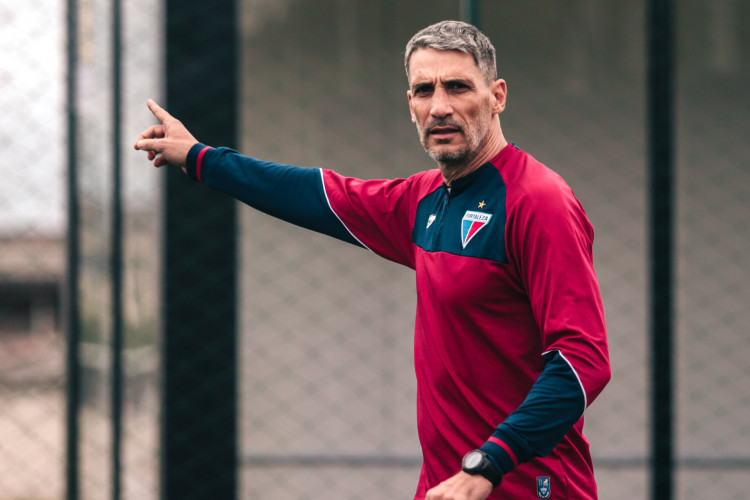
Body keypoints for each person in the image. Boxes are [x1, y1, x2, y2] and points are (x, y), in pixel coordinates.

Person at [135, 20, 610, 500]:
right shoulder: (423, 200)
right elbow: (315, 194)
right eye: (424, 90)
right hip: (448, 487)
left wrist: (488, 463)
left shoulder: (538, 201)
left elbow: (582, 360)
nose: (440, 106)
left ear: (497, 96)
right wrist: (199, 157)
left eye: (458, 87)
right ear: (411, 105)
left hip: (527, 486)